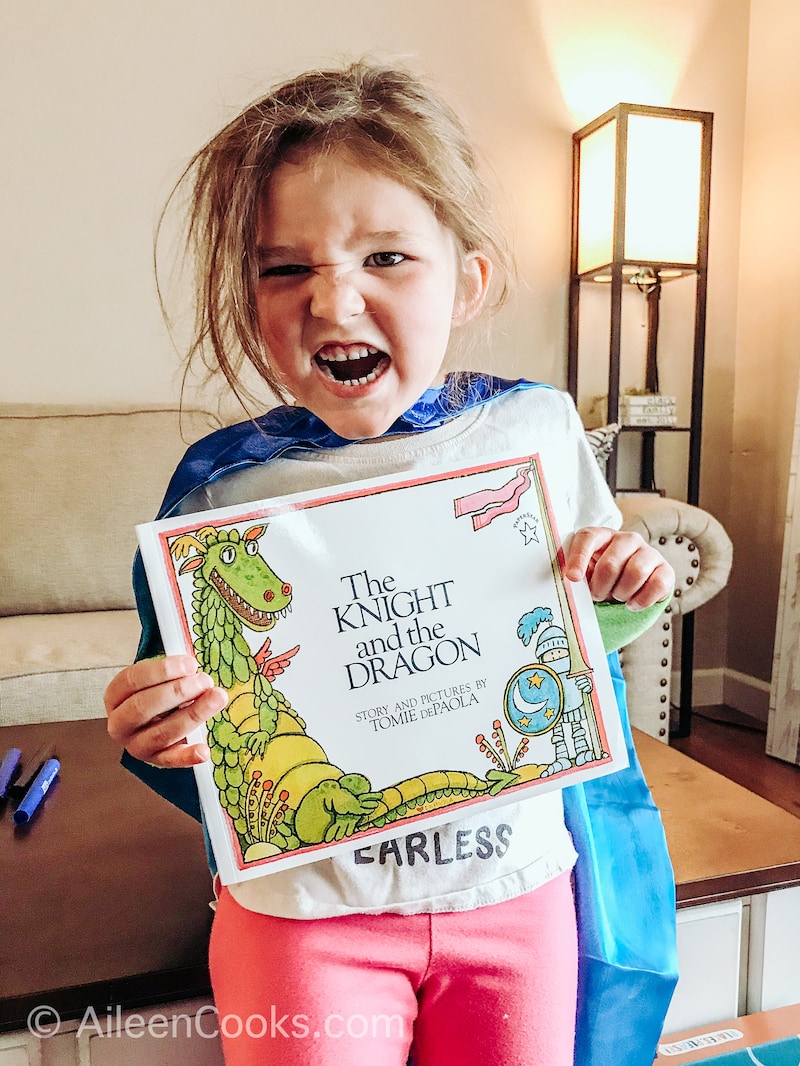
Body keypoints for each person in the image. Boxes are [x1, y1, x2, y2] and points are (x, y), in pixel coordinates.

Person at [104, 61, 676, 1066]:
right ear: (245, 297)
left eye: (386, 257)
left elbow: (587, 635)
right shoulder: (220, 493)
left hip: (515, 893)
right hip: (306, 918)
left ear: (467, 280)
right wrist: (157, 725)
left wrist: (621, 583)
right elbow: (189, 728)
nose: (334, 301)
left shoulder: (532, 431)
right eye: (285, 269)